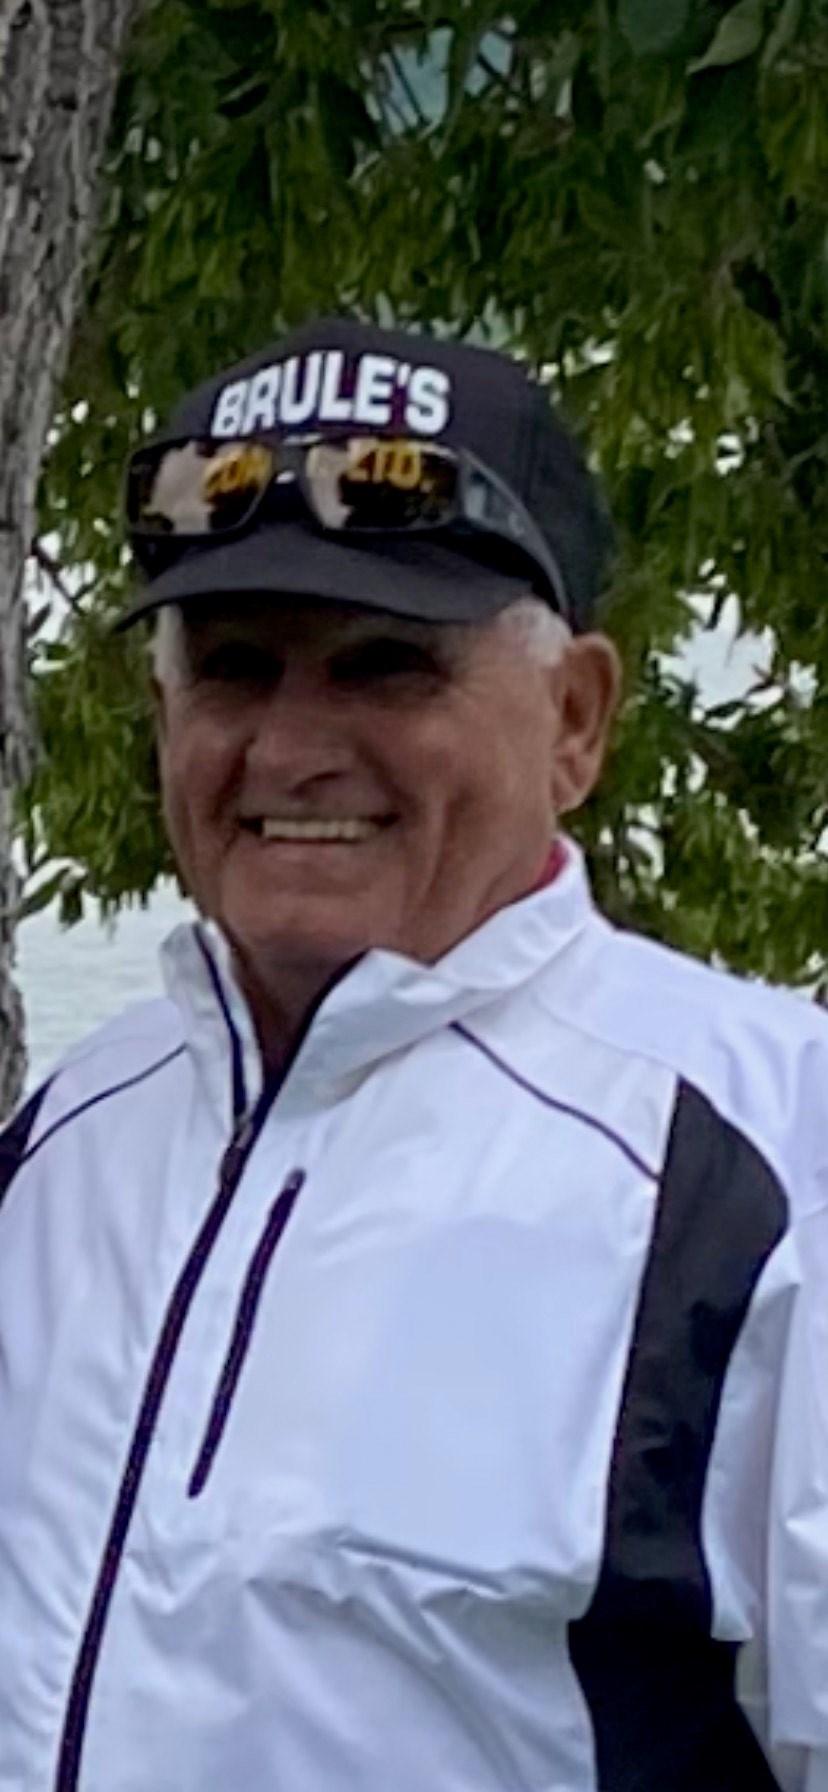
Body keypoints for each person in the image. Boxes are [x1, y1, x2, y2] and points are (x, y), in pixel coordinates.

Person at [0, 317, 825, 1792]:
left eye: (385, 668)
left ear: (576, 718)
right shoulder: (73, 1128)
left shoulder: (768, 1170)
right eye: (235, 669)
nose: (289, 750)